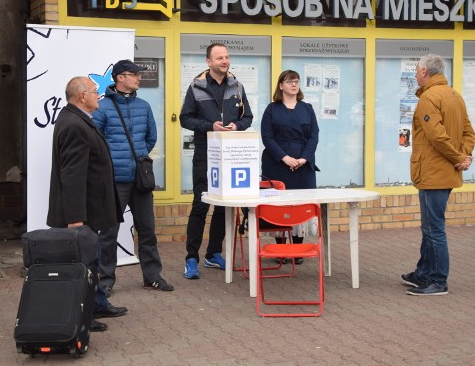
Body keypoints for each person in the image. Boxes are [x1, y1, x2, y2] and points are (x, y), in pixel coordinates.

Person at [47, 76, 128, 332]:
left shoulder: (79, 119)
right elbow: (72, 175)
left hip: (91, 207)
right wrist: (75, 219)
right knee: (85, 263)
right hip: (83, 212)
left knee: (93, 259)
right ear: (82, 96)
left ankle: (98, 302)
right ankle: (84, 313)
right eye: (95, 91)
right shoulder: (74, 124)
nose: (99, 95)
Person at [92, 60, 174, 294]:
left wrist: (137, 156)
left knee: (147, 229)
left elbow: (151, 137)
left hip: (140, 178)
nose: (138, 78)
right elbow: (96, 141)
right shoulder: (103, 107)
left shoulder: (144, 106)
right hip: (114, 179)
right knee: (108, 233)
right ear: (119, 77)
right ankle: (105, 280)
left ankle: (152, 276)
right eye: (133, 74)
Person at [401, 54, 475, 296]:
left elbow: (436, 136)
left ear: (424, 72)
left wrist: (458, 158)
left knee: (434, 229)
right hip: (447, 170)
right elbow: (469, 132)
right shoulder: (455, 95)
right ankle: (423, 273)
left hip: (434, 171)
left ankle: (438, 281)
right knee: (430, 227)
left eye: (417, 71)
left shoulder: (428, 98)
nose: (415, 75)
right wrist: (464, 156)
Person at [179, 43, 253, 279]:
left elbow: (247, 117)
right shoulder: (197, 86)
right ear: (208, 62)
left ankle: (213, 254)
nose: (225, 61)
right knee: (201, 205)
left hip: (230, 155)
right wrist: (209, 126)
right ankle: (191, 258)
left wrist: (237, 126)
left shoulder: (237, 86)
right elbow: (185, 118)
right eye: (219, 57)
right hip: (205, 154)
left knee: (223, 207)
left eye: (227, 57)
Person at [260, 69, 320, 262]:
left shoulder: (307, 108)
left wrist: (303, 159)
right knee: (280, 205)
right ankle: (281, 249)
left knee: (301, 204)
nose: (294, 84)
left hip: (303, 164)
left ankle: (298, 246)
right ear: (281, 85)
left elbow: (314, 136)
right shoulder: (272, 109)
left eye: (296, 81)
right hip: (277, 163)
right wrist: (284, 158)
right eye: (289, 81)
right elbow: (267, 137)